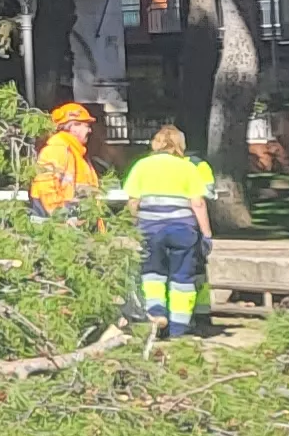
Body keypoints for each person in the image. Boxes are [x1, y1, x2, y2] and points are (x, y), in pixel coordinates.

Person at [122, 124, 219, 337]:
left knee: (152, 275)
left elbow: (133, 202)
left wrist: (134, 227)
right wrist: (207, 234)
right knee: (182, 279)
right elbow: (198, 203)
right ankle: (179, 328)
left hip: (150, 231)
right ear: (179, 144)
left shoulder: (142, 166)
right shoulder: (187, 168)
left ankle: (157, 317)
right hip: (183, 231)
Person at [29, 102, 101, 218]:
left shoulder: (76, 152)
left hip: (73, 220)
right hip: (59, 225)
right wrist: (61, 218)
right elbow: (46, 188)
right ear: (73, 127)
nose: (89, 131)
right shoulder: (57, 150)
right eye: (86, 126)